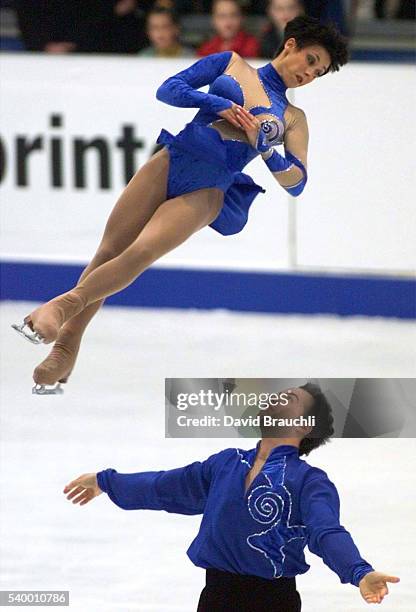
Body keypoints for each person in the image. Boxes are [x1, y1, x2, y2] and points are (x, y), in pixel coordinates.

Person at [13, 17, 348, 393]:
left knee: (139, 253)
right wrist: (217, 103)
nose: (310, 73)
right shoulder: (230, 63)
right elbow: (169, 89)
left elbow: (297, 183)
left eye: (318, 72)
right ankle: (65, 349)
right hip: (172, 159)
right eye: (311, 59)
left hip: (208, 189)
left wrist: (264, 145)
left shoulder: (292, 118)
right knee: (109, 249)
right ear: (291, 45)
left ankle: (61, 308)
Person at [63, 383, 400, 611]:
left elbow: (326, 532)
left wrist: (360, 572)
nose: (275, 400)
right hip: (216, 597)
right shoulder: (227, 463)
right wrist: (106, 482)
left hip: (273, 602)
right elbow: (165, 487)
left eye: (289, 400)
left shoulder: (309, 482)